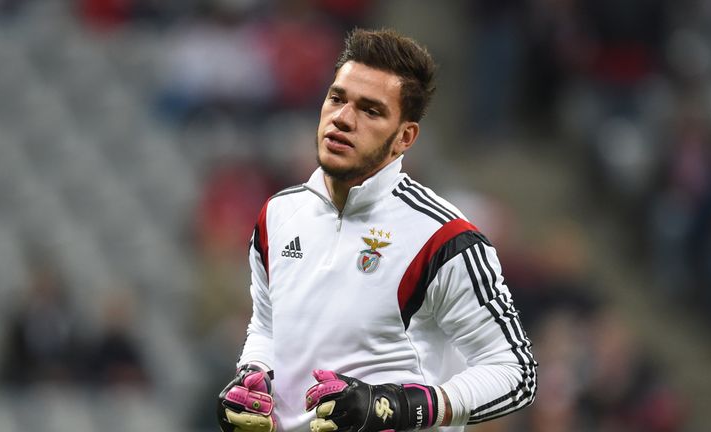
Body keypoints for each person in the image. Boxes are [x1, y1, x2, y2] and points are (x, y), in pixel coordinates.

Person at [217, 28, 537, 432]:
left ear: (404, 137)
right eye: (337, 98)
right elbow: (266, 327)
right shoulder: (277, 215)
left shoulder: (444, 239)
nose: (343, 119)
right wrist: (253, 377)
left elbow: (516, 373)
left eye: (370, 110)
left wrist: (404, 405)